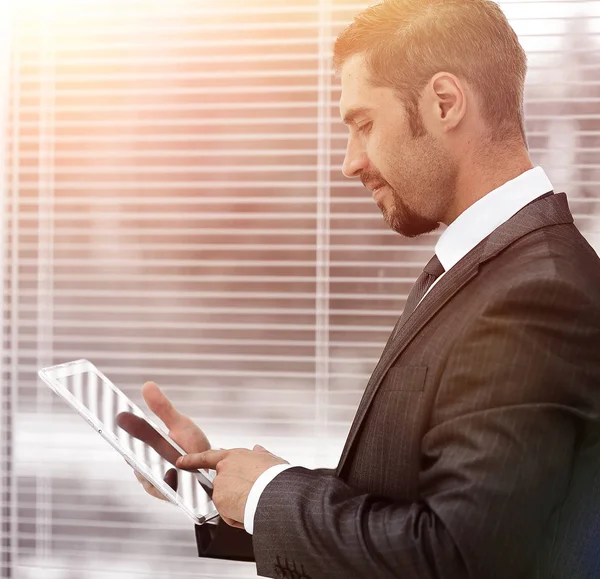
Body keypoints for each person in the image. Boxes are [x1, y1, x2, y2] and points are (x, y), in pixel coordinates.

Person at [130, 0, 600, 577]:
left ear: (444, 103)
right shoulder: (481, 269)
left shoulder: (535, 293)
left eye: (364, 124)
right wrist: (229, 490)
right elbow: (418, 502)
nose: (351, 162)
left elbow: (453, 555)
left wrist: (268, 495)